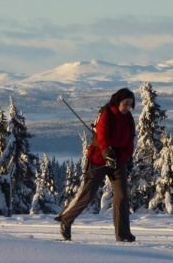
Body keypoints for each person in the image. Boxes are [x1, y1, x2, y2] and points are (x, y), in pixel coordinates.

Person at [55, 88, 136, 242]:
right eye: (125, 103)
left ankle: (123, 235)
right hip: (98, 160)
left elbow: (130, 142)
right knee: (87, 195)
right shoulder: (106, 113)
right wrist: (107, 154)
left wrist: (124, 158)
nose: (127, 107)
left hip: (118, 162)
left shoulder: (128, 118)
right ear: (118, 101)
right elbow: (101, 136)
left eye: (130, 105)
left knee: (122, 196)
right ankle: (66, 219)